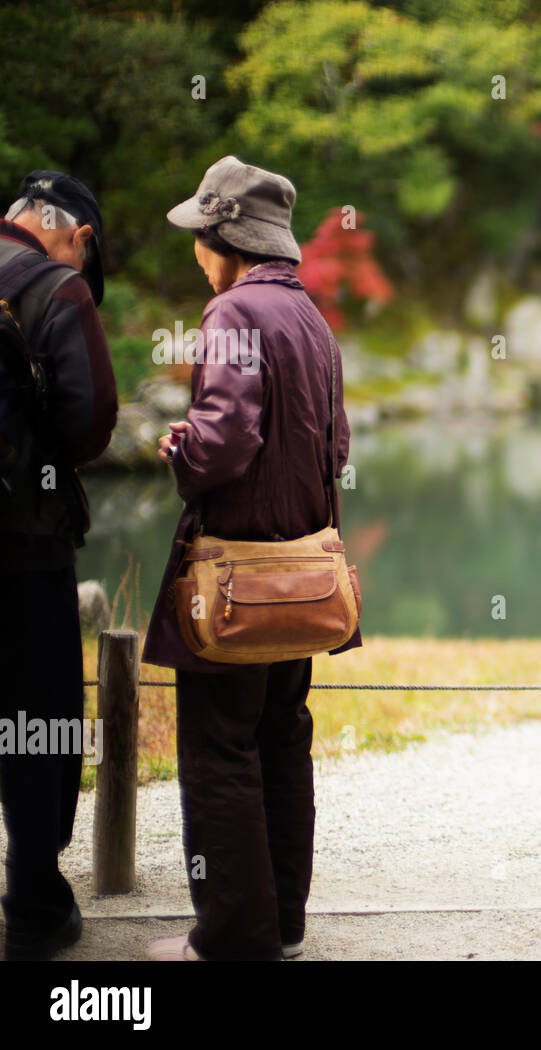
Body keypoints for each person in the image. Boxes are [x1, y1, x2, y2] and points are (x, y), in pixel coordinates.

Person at [141, 156, 356, 961]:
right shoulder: (311, 319)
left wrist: (184, 452)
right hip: (301, 577)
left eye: (202, 234)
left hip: (234, 578)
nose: (196, 250)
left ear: (226, 236)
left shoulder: (233, 311)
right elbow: (334, 447)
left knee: (219, 747)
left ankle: (232, 937)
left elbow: (225, 439)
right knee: (279, 738)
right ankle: (283, 927)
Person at [0, 171, 117, 960]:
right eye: (85, 253)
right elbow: (89, 423)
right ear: (65, 229)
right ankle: (35, 905)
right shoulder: (55, 292)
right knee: (38, 722)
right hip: (21, 550)